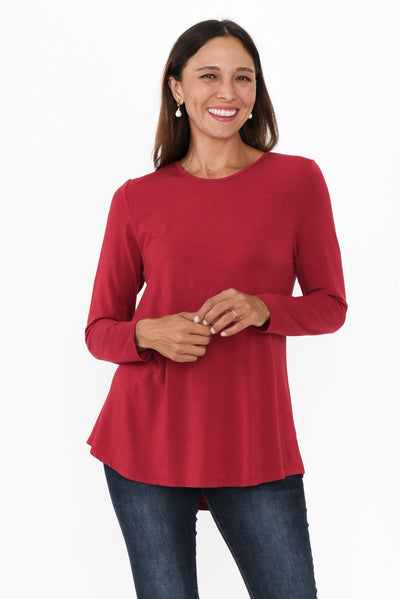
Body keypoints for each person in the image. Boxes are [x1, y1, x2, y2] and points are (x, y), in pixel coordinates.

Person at [84, 18, 347, 599]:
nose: (227, 92)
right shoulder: (136, 198)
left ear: (256, 90)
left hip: (253, 440)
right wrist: (148, 334)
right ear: (177, 87)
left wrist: (264, 308)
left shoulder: (298, 181)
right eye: (209, 76)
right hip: (146, 439)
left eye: (242, 78)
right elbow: (99, 329)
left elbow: (331, 306)